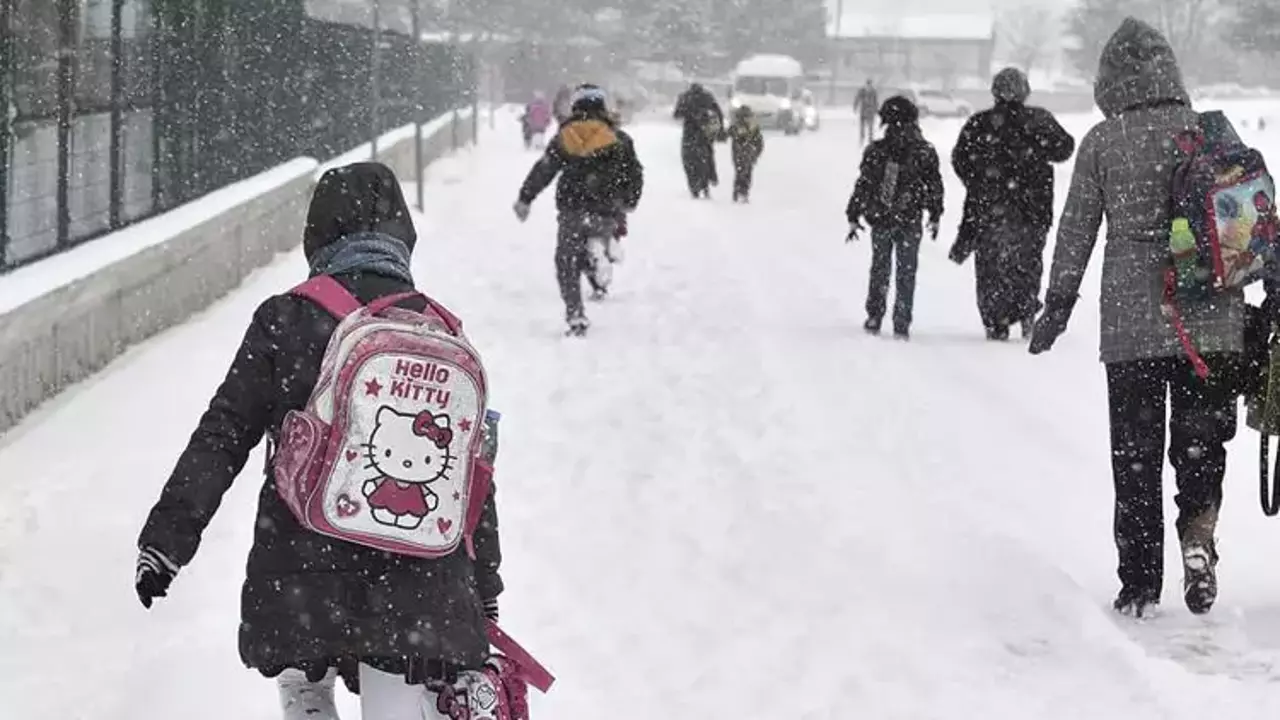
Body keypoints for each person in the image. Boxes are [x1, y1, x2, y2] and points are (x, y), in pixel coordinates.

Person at [133, 162, 504, 719]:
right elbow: (470, 476)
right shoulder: (440, 331)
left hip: (302, 570)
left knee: (304, 665)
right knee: (402, 693)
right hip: (419, 583)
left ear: (318, 235)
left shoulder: (286, 318)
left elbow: (225, 432)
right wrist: (484, 585)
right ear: (403, 236)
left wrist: (167, 540)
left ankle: (306, 693)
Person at [1028, 18, 1271, 618]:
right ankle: (1199, 536)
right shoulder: (1209, 133)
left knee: (1135, 455)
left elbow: (1077, 230)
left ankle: (1139, 582)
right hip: (1212, 322)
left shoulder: (1104, 143)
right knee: (1200, 444)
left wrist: (1057, 303)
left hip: (1133, 324)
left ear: (1110, 81)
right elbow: (1249, 217)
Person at [950, 67, 1075, 341]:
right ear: (1024, 91)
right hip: (1033, 209)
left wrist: (980, 181)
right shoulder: (1039, 120)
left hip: (989, 210)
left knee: (990, 267)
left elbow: (960, 159)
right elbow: (1065, 148)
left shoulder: (980, 124)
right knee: (1027, 263)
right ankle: (1026, 309)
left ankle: (996, 319)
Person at [513, 84, 645, 336]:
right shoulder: (620, 139)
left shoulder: (566, 136)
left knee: (567, 260)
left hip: (573, 208)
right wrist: (630, 200)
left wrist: (525, 198)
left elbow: (545, 169)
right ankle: (602, 257)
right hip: (607, 209)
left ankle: (575, 314)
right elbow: (634, 174)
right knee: (594, 241)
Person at [845, 96, 943, 340]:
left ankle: (875, 314)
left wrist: (854, 212)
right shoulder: (924, 151)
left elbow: (864, 184)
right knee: (906, 270)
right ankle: (901, 320)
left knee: (880, 267)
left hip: (881, 217)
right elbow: (934, 185)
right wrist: (935, 212)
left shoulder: (877, 151)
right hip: (910, 218)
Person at [673, 83, 724, 199]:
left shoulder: (685, 97)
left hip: (689, 133)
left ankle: (695, 187)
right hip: (704, 132)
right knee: (706, 158)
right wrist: (719, 128)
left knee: (689, 161)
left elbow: (676, 114)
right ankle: (707, 181)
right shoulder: (707, 97)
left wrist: (688, 113)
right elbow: (718, 112)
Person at [728, 105, 764, 203]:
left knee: (744, 172)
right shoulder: (737, 127)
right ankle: (740, 191)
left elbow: (759, 141)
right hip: (742, 153)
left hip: (747, 154)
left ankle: (742, 191)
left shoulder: (752, 127)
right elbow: (729, 133)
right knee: (742, 172)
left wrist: (757, 152)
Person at [853, 79, 879, 147]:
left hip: (870, 111)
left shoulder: (873, 91)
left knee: (870, 127)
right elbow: (857, 98)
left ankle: (869, 139)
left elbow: (875, 101)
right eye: (868, 84)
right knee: (863, 126)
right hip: (864, 111)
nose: (869, 85)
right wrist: (855, 106)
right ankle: (862, 138)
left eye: (870, 84)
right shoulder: (862, 91)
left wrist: (876, 109)